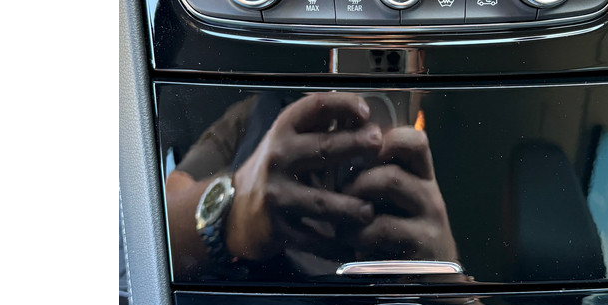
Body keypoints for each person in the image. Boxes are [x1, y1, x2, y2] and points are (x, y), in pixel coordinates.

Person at [165, 91, 457, 281]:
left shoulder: (441, 140)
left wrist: (444, 274)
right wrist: (234, 212)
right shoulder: (258, 114)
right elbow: (158, 223)